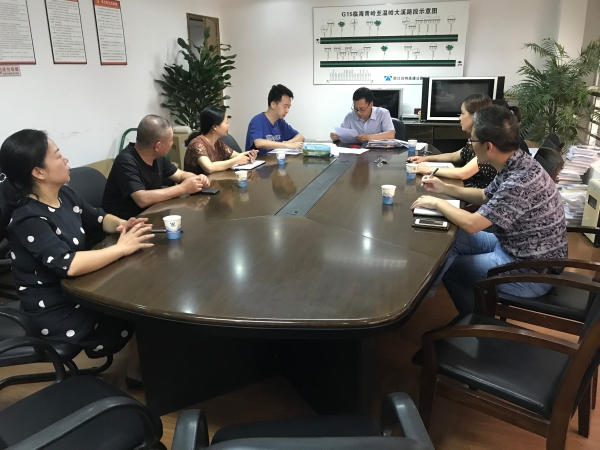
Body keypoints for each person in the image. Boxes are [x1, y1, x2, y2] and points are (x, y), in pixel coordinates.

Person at [0, 129, 154, 374]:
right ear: (38, 172)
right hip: (56, 307)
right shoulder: (28, 218)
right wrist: (121, 248)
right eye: (57, 155)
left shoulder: (64, 195)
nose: (66, 159)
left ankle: (142, 368)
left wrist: (123, 224)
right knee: (133, 305)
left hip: (78, 287)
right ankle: (140, 372)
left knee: (138, 291)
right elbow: (68, 264)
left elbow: (99, 218)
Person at [410, 105, 567, 314]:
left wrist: (438, 202)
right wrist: (444, 188)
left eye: (473, 141)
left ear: (488, 147)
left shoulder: (519, 181)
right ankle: (422, 298)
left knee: (454, 271)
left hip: (529, 272)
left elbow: (473, 224)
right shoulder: (516, 161)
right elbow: (485, 196)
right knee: (453, 237)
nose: (470, 146)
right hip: (513, 247)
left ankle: (477, 323)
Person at [103, 115, 210, 219]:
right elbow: (142, 199)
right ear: (158, 146)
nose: (172, 143)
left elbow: (180, 174)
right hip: (124, 222)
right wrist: (183, 188)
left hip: (150, 214)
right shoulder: (126, 161)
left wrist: (197, 179)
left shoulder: (157, 157)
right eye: (171, 140)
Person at [407, 93, 495, 188]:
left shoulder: (487, 142)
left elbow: (463, 173)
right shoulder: (476, 138)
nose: (459, 118)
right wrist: (426, 159)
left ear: (475, 116)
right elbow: (454, 156)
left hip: (477, 193)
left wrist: (428, 169)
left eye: (462, 113)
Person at [184, 106, 258, 175]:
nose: (228, 125)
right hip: (198, 184)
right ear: (215, 127)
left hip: (215, 181)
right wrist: (236, 161)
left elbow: (236, 155)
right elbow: (209, 168)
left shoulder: (217, 142)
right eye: (226, 123)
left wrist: (249, 155)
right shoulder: (197, 144)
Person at [245, 84, 304, 153]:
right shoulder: (257, 121)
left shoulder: (280, 122)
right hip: (260, 159)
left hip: (276, 159)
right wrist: (285, 145)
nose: (287, 111)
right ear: (273, 104)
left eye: (288, 107)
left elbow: (300, 137)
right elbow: (258, 143)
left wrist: (289, 143)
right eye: (285, 107)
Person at [330, 87, 395, 147]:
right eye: (355, 108)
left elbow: (391, 135)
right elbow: (342, 134)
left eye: (362, 109)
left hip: (378, 152)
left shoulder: (383, 113)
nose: (358, 112)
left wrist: (368, 137)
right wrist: (336, 136)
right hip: (356, 151)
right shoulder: (350, 116)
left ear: (371, 104)